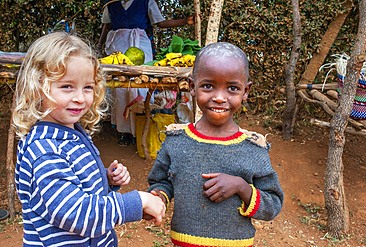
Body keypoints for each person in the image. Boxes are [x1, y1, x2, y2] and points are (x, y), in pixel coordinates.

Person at [12, 32, 166, 247]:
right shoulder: (45, 149)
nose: (80, 97)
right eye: (67, 86)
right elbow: (76, 213)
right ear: (38, 87)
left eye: (88, 87)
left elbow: (70, 183)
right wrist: (136, 201)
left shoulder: (70, 133)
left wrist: (106, 179)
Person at [147, 42, 284, 247]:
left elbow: (272, 203)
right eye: (208, 86)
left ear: (245, 91)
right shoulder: (176, 141)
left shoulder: (253, 149)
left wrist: (241, 187)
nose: (219, 98)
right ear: (192, 86)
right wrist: (159, 196)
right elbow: (161, 181)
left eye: (232, 88)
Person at [97, 0, 194, 146]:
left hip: (140, 44)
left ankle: (142, 129)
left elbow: (160, 23)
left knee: (141, 86)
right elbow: (107, 26)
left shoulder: (146, 2)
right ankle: (124, 132)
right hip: (117, 45)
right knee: (120, 89)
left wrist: (185, 21)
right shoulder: (110, 5)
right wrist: (99, 44)